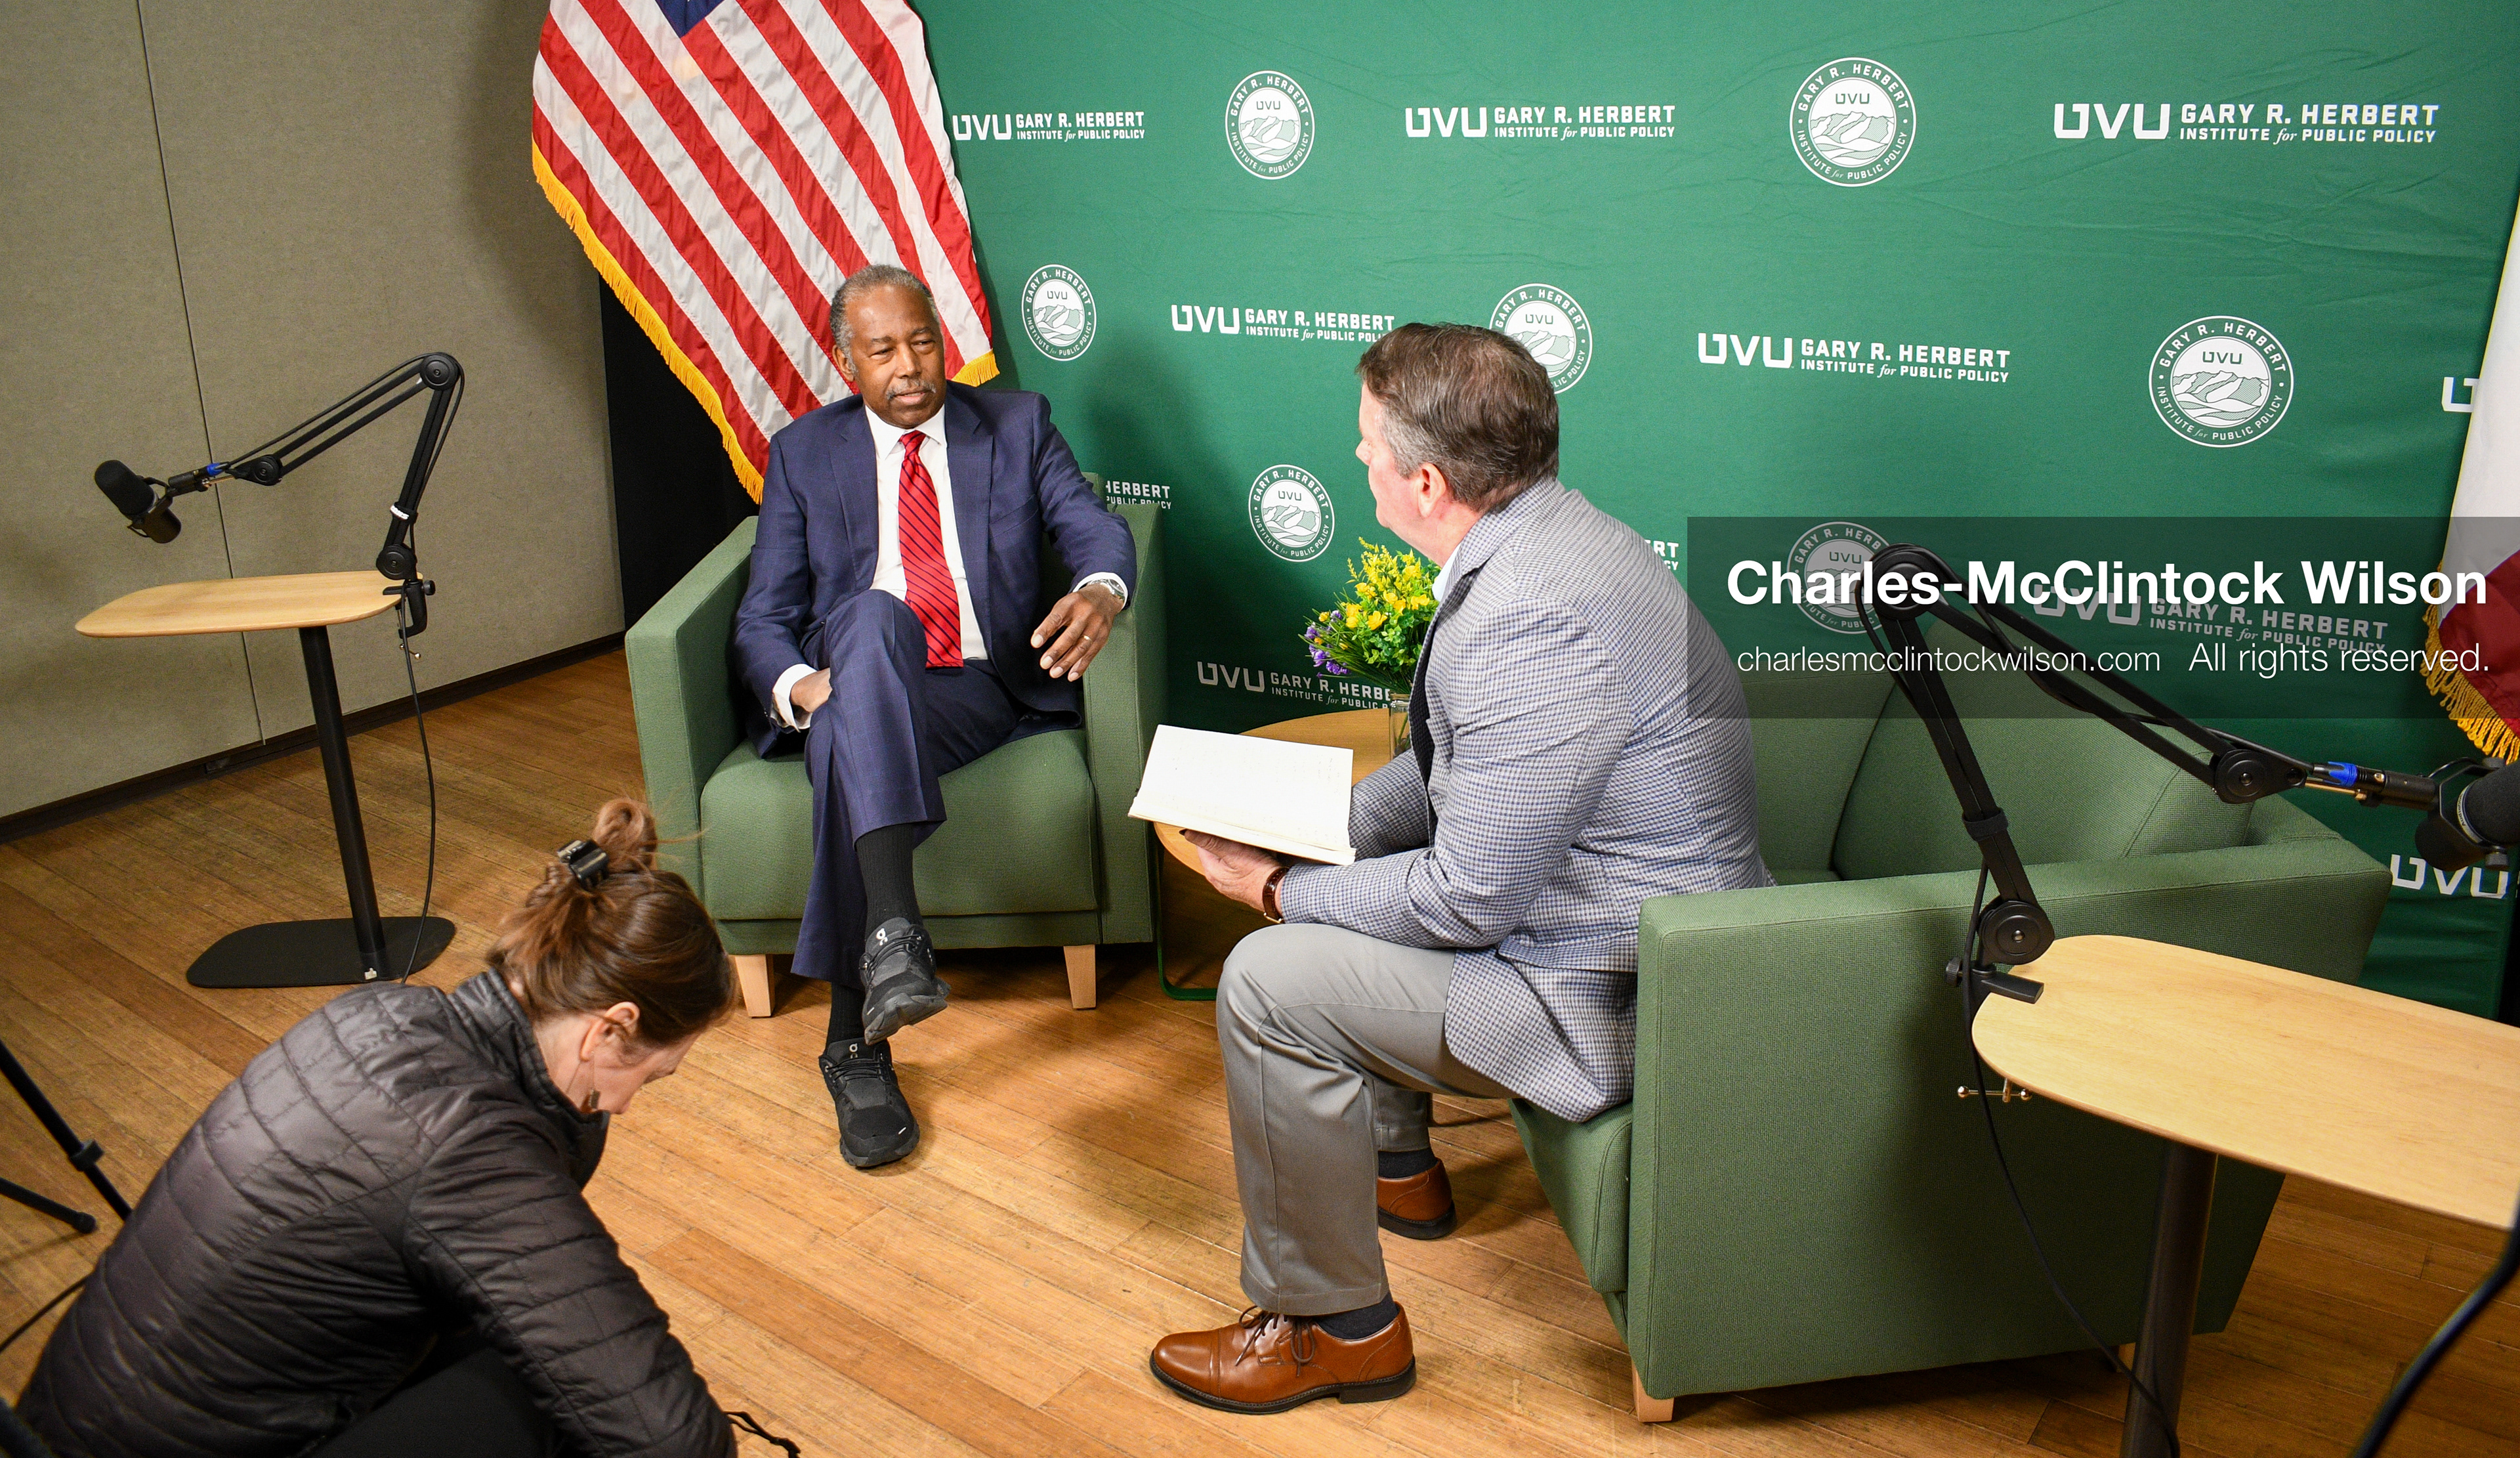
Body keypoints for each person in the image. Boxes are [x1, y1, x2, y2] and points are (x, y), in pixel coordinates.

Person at [1153, 323, 1770, 1413]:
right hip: (1618, 924)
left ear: (1427, 480)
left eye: (1366, 445)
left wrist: (1278, 888)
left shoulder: (1530, 614)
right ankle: (1402, 1169)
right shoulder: (1554, 535)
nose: (1356, 461)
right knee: (1350, 888)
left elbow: (1469, 894)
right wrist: (1321, 828)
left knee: (1269, 980)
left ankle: (1334, 1328)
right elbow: (1461, 772)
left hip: (1624, 986)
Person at [17, 800, 740, 1458]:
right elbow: (674, 1438)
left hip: (67, 1426)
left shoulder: (380, 1015)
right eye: (650, 1074)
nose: (627, 1105)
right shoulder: (470, 1147)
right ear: (611, 1028)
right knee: (550, 1399)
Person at [731, 263, 1136, 1170]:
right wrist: (803, 689)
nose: (911, 366)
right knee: (867, 634)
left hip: (977, 687)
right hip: (854, 681)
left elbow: (1089, 524)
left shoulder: (1017, 424)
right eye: (884, 350)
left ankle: (857, 1032)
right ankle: (880, 975)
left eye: (923, 342)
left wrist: (1103, 589)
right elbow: (764, 616)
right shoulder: (804, 452)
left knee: (857, 706)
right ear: (847, 363)